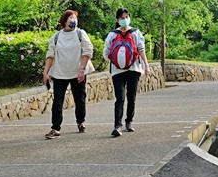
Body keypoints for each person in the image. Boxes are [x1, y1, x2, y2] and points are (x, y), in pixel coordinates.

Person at [43, 9, 94, 139]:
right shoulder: (56, 37)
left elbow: (88, 51)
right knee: (57, 102)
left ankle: (80, 121)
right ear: (64, 20)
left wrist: (82, 69)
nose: (73, 20)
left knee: (80, 99)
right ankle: (55, 128)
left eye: (75, 18)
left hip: (78, 72)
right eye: (71, 18)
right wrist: (46, 72)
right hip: (60, 73)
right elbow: (50, 55)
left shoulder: (80, 34)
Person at [104, 8, 147, 136]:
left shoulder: (135, 32)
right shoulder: (113, 34)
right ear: (117, 20)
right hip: (125, 70)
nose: (125, 20)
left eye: (126, 17)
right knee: (120, 97)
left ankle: (128, 122)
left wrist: (146, 65)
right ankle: (118, 125)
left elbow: (141, 49)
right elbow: (106, 51)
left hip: (130, 70)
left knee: (131, 97)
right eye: (122, 18)